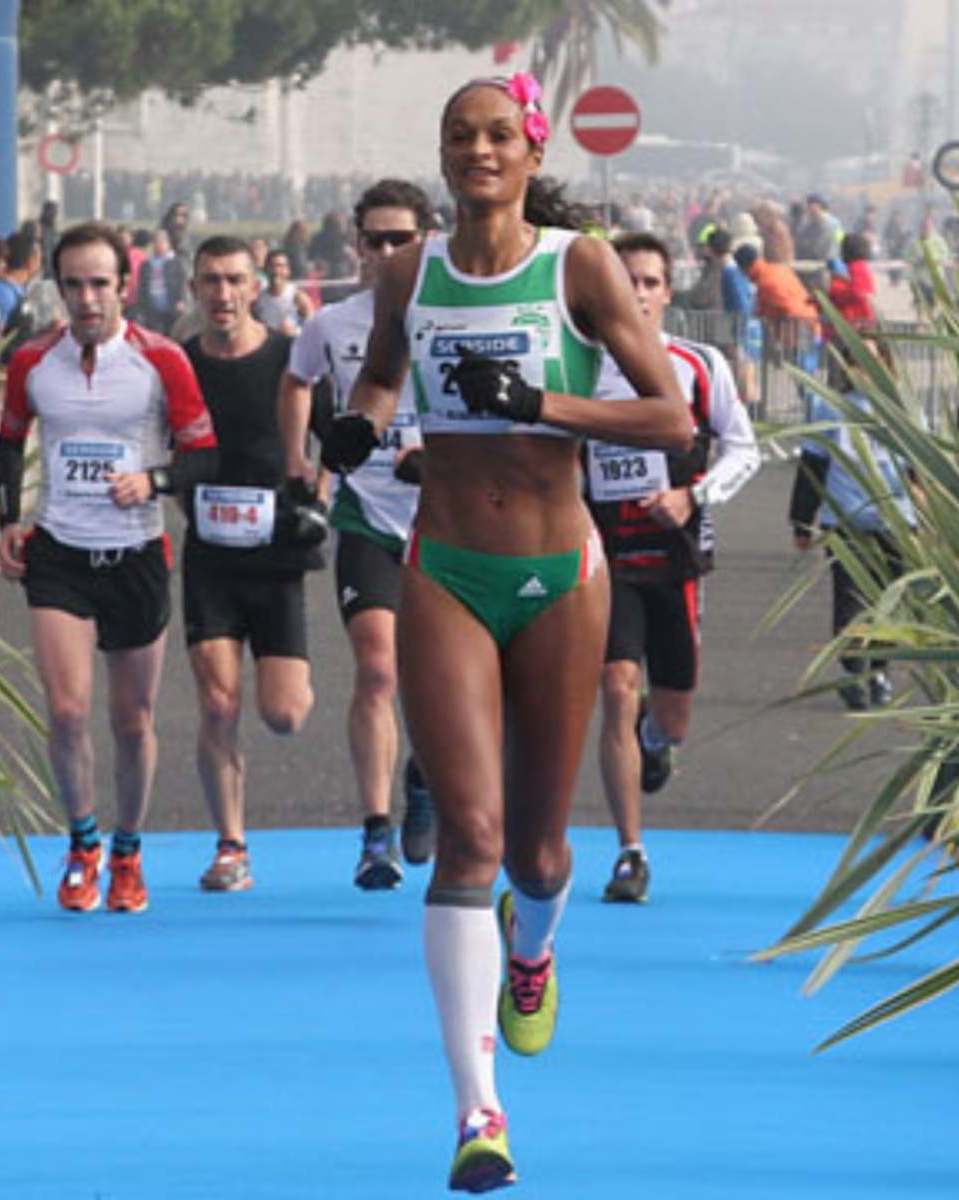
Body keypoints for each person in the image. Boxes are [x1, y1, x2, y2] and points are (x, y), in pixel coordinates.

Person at [324, 74, 688, 1193]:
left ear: (532, 152)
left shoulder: (574, 266)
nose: (476, 152)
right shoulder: (408, 270)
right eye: (457, 137)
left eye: (497, 136)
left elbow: (673, 416)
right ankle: (479, 1114)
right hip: (444, 570)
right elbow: (386, 371)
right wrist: (362, 425)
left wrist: (540, 406)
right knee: (470, 839)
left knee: (537, 853)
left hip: (559, 573)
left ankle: (533, 953)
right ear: (442, 155)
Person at [0, 221, 218, 912]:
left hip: (136, 556)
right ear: (58, 288)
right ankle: (83, 843)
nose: (87, 299)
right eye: (73, 285)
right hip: (59, 552)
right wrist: (8, 520)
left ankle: (127, 851)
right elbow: (8, 442)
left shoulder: (162, 362)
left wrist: (152, 482)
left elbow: (204, 455)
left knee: (131, 720)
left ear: (123, 285)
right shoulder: (35, 361)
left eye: (99, 284)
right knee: (65, 712)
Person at [590, 232, 760, 904]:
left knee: (671, 714)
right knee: (614, 690)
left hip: (674, 561)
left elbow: (745, 450)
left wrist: (694, 495)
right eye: (624, 279)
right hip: (604, 561)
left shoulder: (697, 364)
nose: (636, 292)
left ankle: (657, 741)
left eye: (649, 281)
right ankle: (630, 853)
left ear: (667, 292)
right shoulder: (578, 369)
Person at [279, 179, 437, 889]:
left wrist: (437, 462)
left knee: (438, 683)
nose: (384, 252)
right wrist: (298, 466)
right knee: (377, 668)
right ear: (356, 245)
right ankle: (375, 835)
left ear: (425, 242)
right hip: (365, 517)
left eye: (399, 238)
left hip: (445, 525)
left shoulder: (449, 319)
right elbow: (297, 382)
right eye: (373, 239)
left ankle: (424, 777)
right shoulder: (330, 324)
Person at [183, 236, 324, 892]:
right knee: (217, 702)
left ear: (253, 285)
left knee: (285, 714)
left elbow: (340, 432)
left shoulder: (287, 358)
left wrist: (320, 484)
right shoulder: (178, 364)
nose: (223, 293)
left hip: (276, 556)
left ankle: (292, 691)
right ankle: (230, 846)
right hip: (210, 557)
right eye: (210, 281)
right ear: (193, 289)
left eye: (234, 279)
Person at [788, 337, 914, 710]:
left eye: (870, 360)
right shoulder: (829, 407)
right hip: (846, 519)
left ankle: (879, 669)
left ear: (886, 365)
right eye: (854, 361)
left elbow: (917, 468)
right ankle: (853, 670)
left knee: (888, 599)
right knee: (849, 599)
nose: (862, 369)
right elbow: (813, 466)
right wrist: (800, 521)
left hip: (895, 519)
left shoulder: (901, 409)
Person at [255, 248, 314, 336]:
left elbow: (313, 329)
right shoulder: (259, 299)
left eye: (281, 266)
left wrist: (295, 331)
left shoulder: (298, 296)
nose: (276, 271)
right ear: (265, 269)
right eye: (272, 266)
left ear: (288, 270)